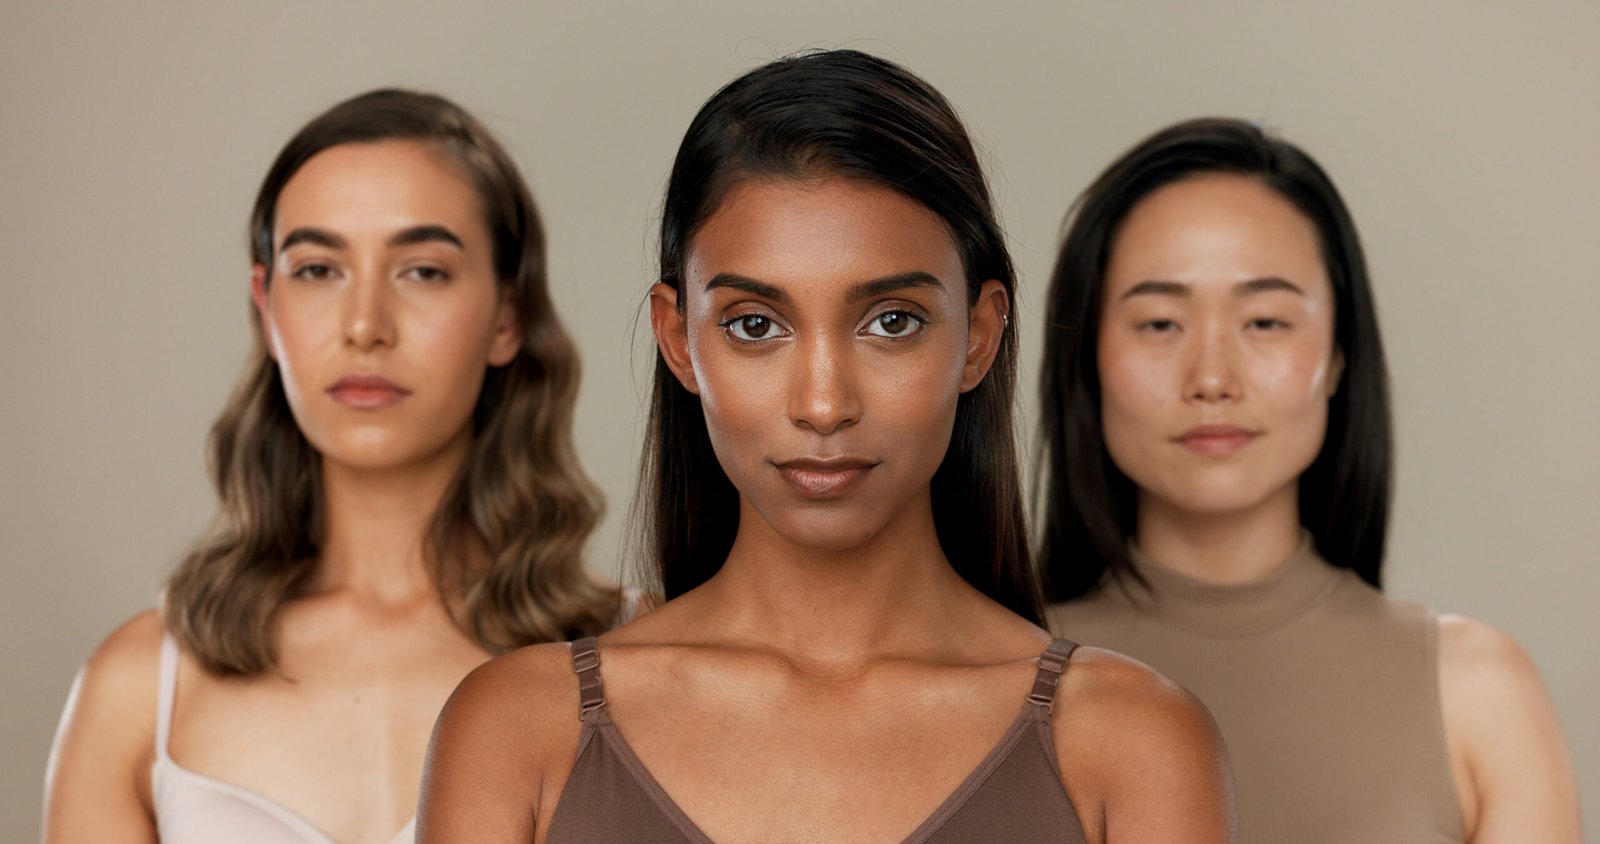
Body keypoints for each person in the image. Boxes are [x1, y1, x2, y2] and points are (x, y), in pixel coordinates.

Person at [418, 50, 1235, 843]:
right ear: (677, 339)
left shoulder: (1132, 745)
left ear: (979, 337)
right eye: (754, 326)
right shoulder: (519, 732)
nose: (823, 403)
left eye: (891, 322)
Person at [42, 89, 619, 844]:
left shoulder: (638, 660)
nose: (364, 326)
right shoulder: (139, 686)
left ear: (507, 315)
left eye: (423, 271)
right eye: (317, 269)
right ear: (266, 307)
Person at [1037, 117, 1581, 842]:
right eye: (1160, 324)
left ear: (1340, 357)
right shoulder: (993, 679)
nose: (1211, 379)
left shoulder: (1478, 693)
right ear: (1086, 360)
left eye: (1264, 322)